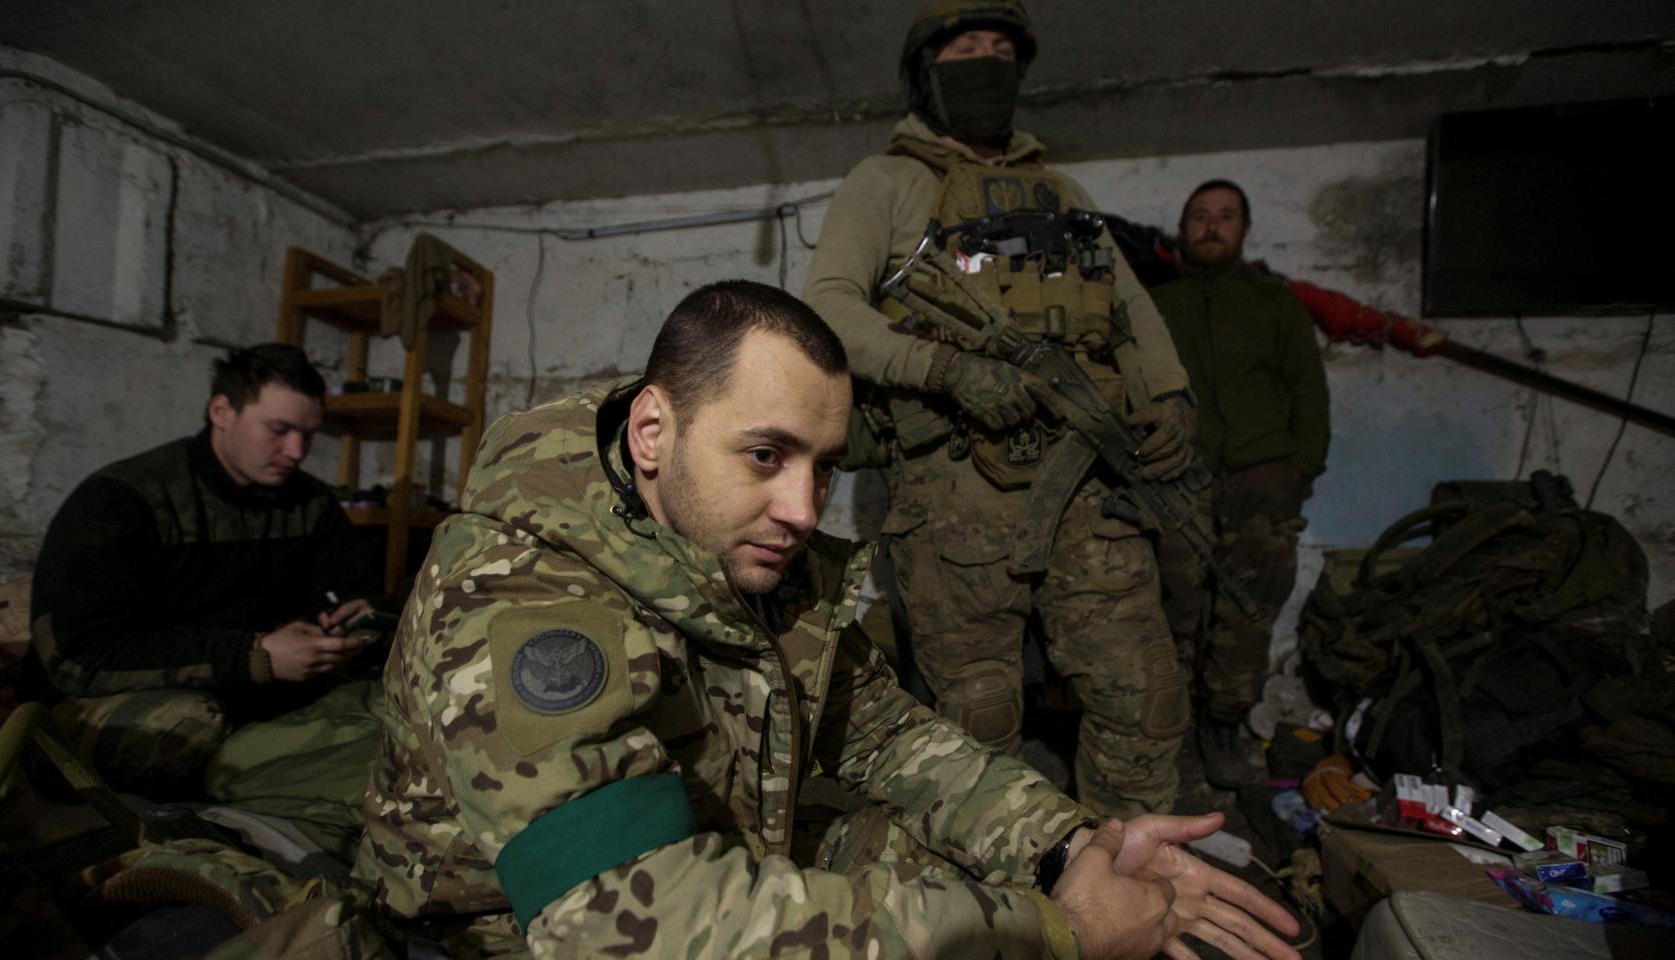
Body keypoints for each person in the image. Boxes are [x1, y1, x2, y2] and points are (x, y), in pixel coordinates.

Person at [356, 280, 1299, 959]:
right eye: (766, 455)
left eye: (824, 467)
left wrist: (1065, 849)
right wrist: (1068, 931)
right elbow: (627, 926)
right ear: (653, 432)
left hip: (720, 851)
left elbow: (886, 736)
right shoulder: (525, 595)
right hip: (516, 930)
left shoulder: (756, 557)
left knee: (966, 883)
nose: (805, 510)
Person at [802, 0, 1197, 817]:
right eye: (965, 48)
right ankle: (1008, 911)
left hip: (1092, 481)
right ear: (927, 72)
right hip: (957, 493)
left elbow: (1126, 308)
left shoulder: (1062, 190)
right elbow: (831, 309)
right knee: (976, 723)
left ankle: (1137, 897)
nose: (987, 61)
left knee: (1147, 700)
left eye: (1000, 49)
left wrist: (1169, 394)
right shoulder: (887, 181)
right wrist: (945, 370)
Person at [25, 343, 378, 796]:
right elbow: (79, 656)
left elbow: (348, 587)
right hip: (109, 696)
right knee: (184, 734)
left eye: (308, 435)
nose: (295, 451)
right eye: (278, 430)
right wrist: (254, 656)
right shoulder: (122, 501)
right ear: (221, 410)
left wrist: (350, 622)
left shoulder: (312, 503)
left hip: (246, 683)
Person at [1149, 180, 1331, 788]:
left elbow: (1308, 389)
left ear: (1243, 229)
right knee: (1176, 610)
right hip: (1181, 479)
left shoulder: (1273, 302)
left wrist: (1300, 468)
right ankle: (1172, 738)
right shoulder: (1158, 305)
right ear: (1182, 228)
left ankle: (1222, 729)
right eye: (1199, 216)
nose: (1210, 227)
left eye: (1224, 217)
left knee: (1247, 613)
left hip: (1262, 479)